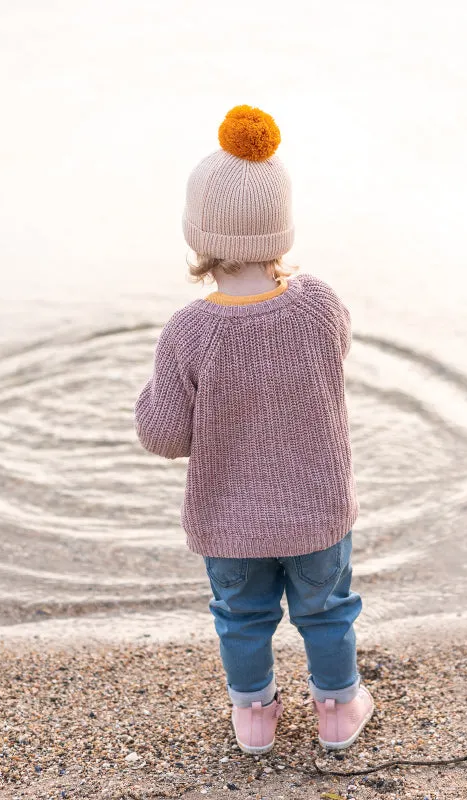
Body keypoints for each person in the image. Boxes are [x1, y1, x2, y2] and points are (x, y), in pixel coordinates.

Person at [134, 105, 373, 755]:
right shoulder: (319, 303)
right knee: (326, 610)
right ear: (281, 230)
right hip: (317, 510)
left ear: (199, 237)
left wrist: (148, 401)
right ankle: (337, 709)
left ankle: (255, 718)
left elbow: (164, 436)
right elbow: (334, 357)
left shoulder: (190, 331)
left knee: (242, 618)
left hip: (232, 525)